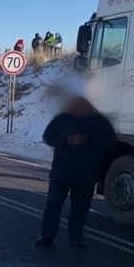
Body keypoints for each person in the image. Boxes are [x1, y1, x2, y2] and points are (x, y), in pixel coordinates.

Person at [35, 91, 115, 249]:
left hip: (85, 173)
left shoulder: (98, 121)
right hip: (63, 173)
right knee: (55, 205)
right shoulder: (62, 119)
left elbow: (109, 140)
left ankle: (75, 237)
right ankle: (48, 235)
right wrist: (66, 140)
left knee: (78, 207)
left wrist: (87, 140)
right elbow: (47, 137)